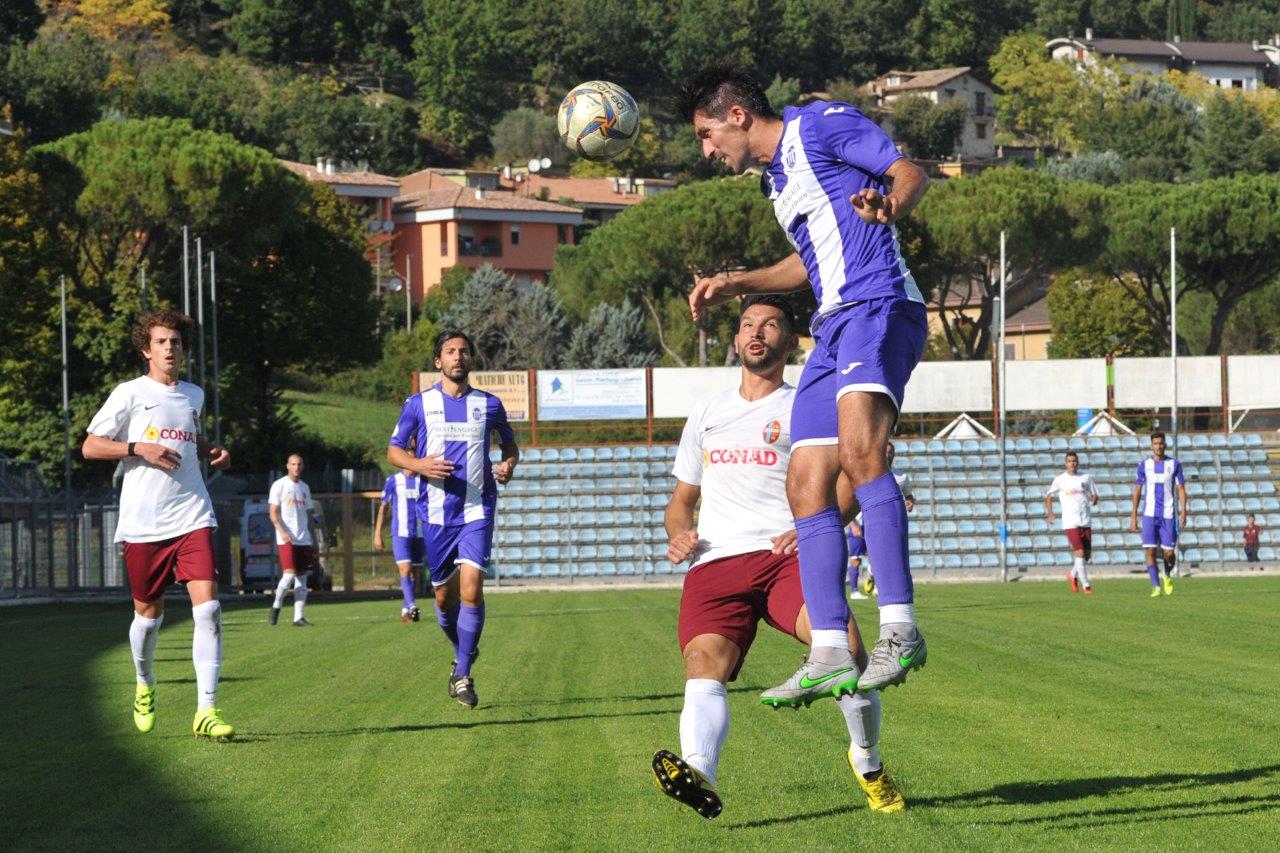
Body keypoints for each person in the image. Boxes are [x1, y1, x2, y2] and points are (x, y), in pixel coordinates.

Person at [679, 59, 932, 698]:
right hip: (832, 324)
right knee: (804, 482)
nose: (706, 150)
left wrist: (890, 204)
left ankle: (900, 627)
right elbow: (808, 262)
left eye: (707, 134)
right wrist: (737, 281)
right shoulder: (777, 182)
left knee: (860, 454)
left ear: (738, 116)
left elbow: (908, 170)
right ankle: (829, 649)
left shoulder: (818, 125)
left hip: (878, 305)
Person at [652, 295, 905, 819]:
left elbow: (860, 471)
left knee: (847, 652)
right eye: (747, 324)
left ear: (790, 342)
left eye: (769, 325)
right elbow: (681, 501)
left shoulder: (810, 406)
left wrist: (815, 526)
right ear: (736, 339)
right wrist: (679, 534)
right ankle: (700, 772)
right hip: (716, 561)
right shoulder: (707, 412)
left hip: (786, 557)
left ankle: (868, 762)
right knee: (703, 664)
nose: (756, 332)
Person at [82, 309, 234, 740]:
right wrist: (137, 448)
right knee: (148, 617)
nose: (170, 348)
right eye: (161, 342)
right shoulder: (129, 393)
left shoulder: (194, 395)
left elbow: (188, 439)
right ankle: (145, 681)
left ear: (183, 350)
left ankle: (206, 710)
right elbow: (90, 446)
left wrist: (212, 451)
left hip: (192, 514)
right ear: (146, 350)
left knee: (209, 609)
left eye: (176, 342)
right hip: (144, 522)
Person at [387, 330, 519, 709]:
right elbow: (394, 451)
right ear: (438, 361)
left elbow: (509, 445)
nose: (457, 357)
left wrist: (508, 464)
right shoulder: (418, 404)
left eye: (463, 351)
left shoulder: (489, 404)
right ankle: (463, 651)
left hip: (478, 509)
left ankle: (463, 673)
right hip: (435, 514)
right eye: (450, 352)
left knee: (472, 589)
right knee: (445, 600)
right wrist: (419, 464)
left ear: (470, 359)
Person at [1129, 432, 1187, 597]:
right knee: (1150, 551)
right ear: (1151, 446)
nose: (1158, 446)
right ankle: (1156, 587)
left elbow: (1181, 488)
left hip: (1168, 515)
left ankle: (1167, 574)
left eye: (1161, 443)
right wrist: (1133, 516)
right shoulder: (1144, 465)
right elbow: (1137, 490)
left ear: (1165, 445)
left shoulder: (1174, 464)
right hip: (1149, 515)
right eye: (1155, 443)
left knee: (1169, 553)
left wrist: (1184, 512)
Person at [268, 454, 318, 626]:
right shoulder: (279, 485)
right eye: (293, 464)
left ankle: (298, 617)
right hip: (287, 538)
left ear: (303, 466)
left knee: (302, 579)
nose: (296, 467)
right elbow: (273, 513)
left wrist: (313, 536)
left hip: (303, 538)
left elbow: (310, 513)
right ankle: (276, 605)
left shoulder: (304, 487)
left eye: (299, 464)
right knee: (289, 575)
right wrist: (282, 532)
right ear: (287, 466)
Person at [374, 468, 425, 622]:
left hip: (419, 534)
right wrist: (377, 534)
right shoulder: (393, 480)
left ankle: (406, 611)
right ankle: (412, 606)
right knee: (405, 569)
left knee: (414, 573)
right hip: (400, 533)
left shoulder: (423, 480)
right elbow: (383, 507)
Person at [1045, 451, 1100, 594]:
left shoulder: (1086, 477)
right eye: (1069, 461)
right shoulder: (1060, 480)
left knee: (1086, 555)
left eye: (1074, 461)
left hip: (1085, 519)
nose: (1072, 463)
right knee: (1079, 552)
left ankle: (1072, 574)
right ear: (1065, 463)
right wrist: (1050, 513)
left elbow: (1095, 496)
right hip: (1070, 521)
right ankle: (1086, 586)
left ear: (1078, 462)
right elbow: (1049, 497)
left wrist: (1094, 500)